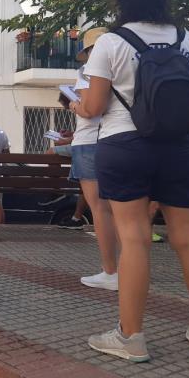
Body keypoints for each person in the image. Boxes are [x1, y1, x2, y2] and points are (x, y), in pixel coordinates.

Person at [75, 0, 189, 362]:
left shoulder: (110, 42)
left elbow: (96, 106)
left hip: (125, 145)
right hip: (181, 147)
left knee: (134, 238)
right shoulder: (188, 39)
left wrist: (77, 104)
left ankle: (131, 338)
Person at [68, 28, 119, 291]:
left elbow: (88, 110)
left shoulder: (87, 72)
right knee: (122, 210)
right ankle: (132, 267)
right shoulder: (121, 66)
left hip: (89, 143)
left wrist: (73, 104)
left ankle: (110, 271)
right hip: (118, 142)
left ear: (90, 51)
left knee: (100, 210)